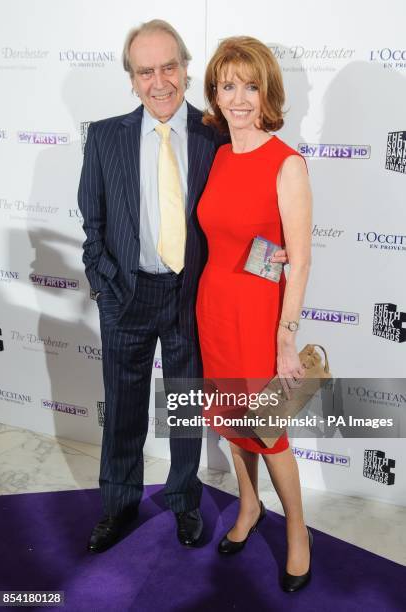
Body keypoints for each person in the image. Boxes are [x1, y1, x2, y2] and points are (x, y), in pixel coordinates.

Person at [78, 19, 289, 554]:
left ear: (186, 69)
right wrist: (106, 286)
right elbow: (93, 225)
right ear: (132, 79)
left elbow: (244, 219)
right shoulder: (104, 137)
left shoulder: (216, 133)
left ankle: (184, 501)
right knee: (123, 408)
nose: (159, 81)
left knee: (186, 408)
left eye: (168, 67)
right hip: (127, 296)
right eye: (145, 71)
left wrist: (270, 258)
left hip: (193, 297)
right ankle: (118, 507)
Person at [196, 36, 313, 592]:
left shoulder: (286, 163)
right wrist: (264, 254)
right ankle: (248, 507)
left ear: (266, 91)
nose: (237, 98)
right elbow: (243, 242)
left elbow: (301, 259)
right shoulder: (219, 154)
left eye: (249, 85)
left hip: (259, 317)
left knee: (269, 431)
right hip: (213, 307)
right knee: (231, 422)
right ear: (214, 92)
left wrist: (286, 338)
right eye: (226, 86)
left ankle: (297, 531)